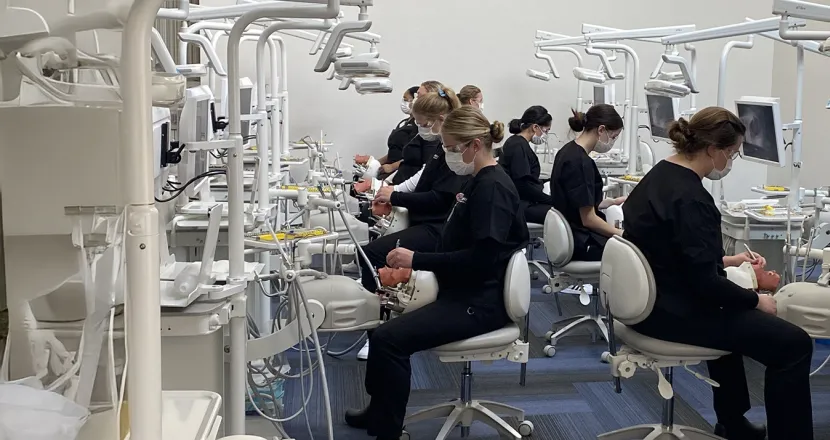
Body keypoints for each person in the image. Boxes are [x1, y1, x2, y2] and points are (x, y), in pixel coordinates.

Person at [622, 107, 813, 440]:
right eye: (732, 153)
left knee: (734, 315)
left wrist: (727, 260)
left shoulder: (659, 177)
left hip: (648, 304)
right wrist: (756, 300)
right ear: (712, 149)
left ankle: (732, 422)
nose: (730, 160)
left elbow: (672, 254)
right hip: (671, 313)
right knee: (794, 345)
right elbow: (705, 285)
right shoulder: (692, 198)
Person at [344, 106, 529, 440]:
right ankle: (379, 413)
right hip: (462, 288)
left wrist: (417, 261)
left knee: (389, 340)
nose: (447, 154)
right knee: (380, 318)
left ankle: (387, 430)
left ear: (474, 145)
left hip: (479, 301)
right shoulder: (478, 182)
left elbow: (481, 260)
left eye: (451, 148)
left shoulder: (492, 189)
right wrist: (411, 270)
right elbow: (458, 245)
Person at [354, 88, 467, 361]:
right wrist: (386, 191)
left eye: (424, 124)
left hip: (440, 228)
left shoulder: (454, 151)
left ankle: (376, 327)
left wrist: (395, 195)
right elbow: (418, 179)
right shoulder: (442, 150)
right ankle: (379, 315)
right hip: (427, 221)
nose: (421, 129)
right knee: (371, 249)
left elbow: (439, 200)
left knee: (371, 253)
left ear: (440, 118)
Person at [550, 104, 625, 260]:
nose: (612, 142)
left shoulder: (567, 151)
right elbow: (588, 219)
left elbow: (577, 201)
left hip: (571, 234)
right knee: (637, 251)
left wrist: (612, 201)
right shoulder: (581, 163)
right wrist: (622, 235)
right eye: (613, 137)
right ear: (601, 130)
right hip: (582, 241)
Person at [500, 105, 554, 224]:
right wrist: (550, 200)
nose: (545, 135)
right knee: (562, 213)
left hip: (523, 200)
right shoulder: (518, 146)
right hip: (520, 205)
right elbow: (522, 185)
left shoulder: (517, 143)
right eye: (546, 131)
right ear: (535, 127)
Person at [389, 80, 448, 185]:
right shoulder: (422, 129)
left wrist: (396, 192)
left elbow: (426, 170)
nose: (415, 99)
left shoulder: (433, 135)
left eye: (418, 95)